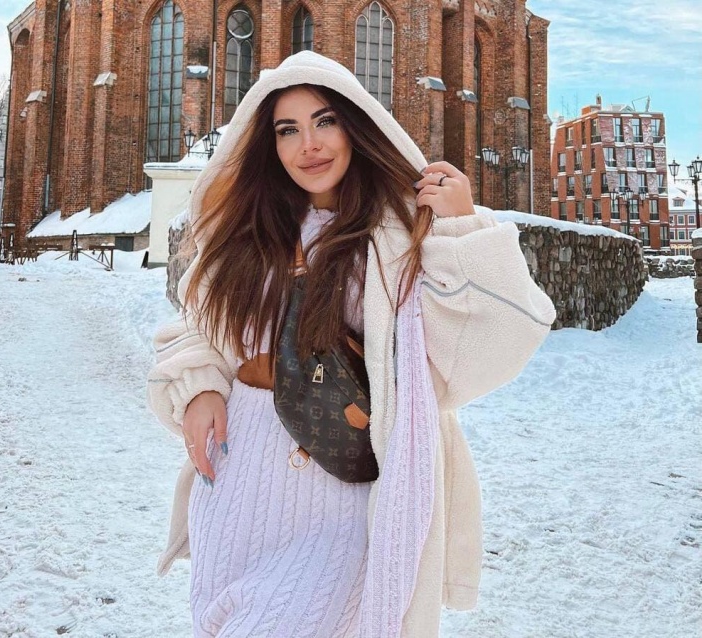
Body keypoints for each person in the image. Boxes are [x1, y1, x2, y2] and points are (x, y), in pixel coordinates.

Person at [147, 51, 556, 638]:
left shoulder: (401, 236)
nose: (308, 144)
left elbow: (490, 346)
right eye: (287, 129)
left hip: (348, 500)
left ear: (358, 126)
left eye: (325, 121)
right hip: (243, 494)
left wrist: (462, 230)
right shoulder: (247, 235)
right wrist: (198, 389)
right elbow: (200, 329)